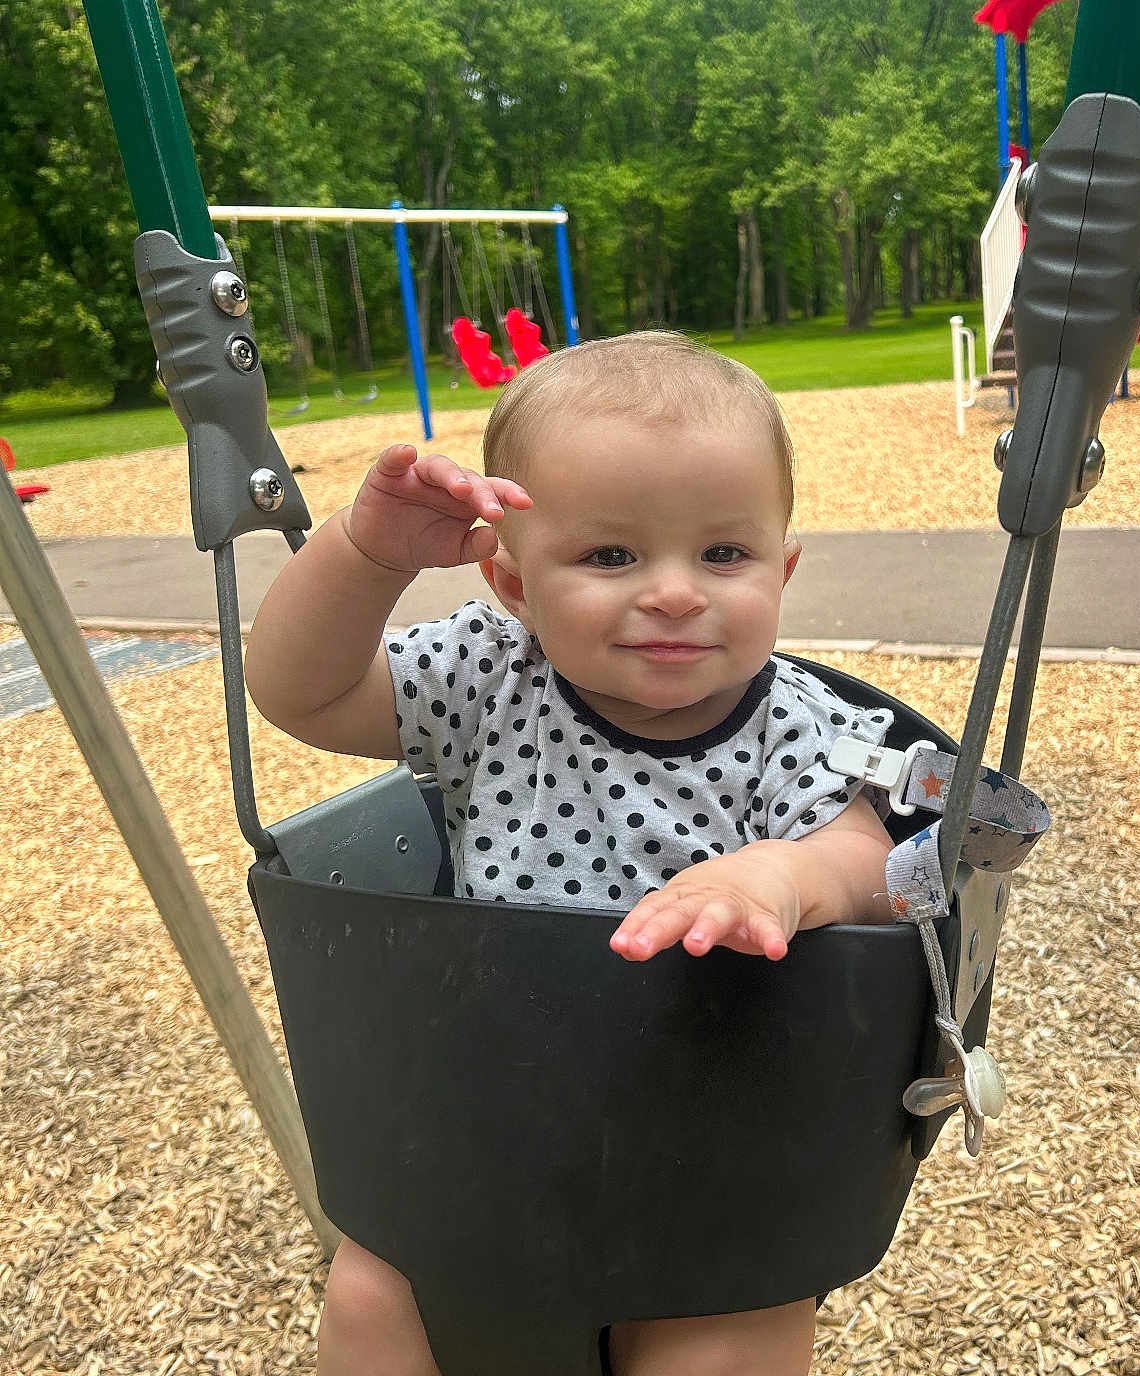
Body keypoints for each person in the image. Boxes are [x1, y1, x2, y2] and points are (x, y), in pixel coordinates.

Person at [244, 331, 903, 1376]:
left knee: (729, 1332)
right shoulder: (487, 680)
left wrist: (782, 876)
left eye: (723, 555)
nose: (676, 592)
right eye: (610, 556)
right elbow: (301, 693)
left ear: (783, 569)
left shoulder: (803, 727)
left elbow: (876, 861)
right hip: (491, 1107)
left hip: (717, 1124)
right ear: (513, 581)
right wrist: (363, 557)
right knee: (372, 1293)